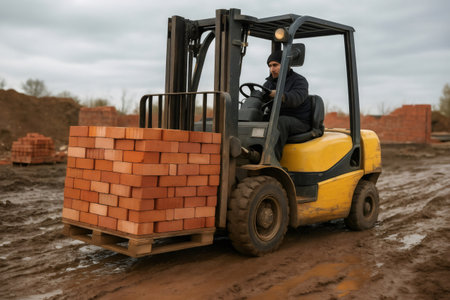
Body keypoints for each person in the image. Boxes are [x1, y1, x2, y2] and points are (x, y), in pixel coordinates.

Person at [263, 50, 311, 161]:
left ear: (285, 65)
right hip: (278, 117)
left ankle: (271, 162)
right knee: (257, 120)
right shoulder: (268, 83)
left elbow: (297, 98)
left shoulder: (299, 81)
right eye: (270, 66)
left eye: (275, 65)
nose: (272, 69)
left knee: (280, 122)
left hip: (300, 121)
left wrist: (280, 95)